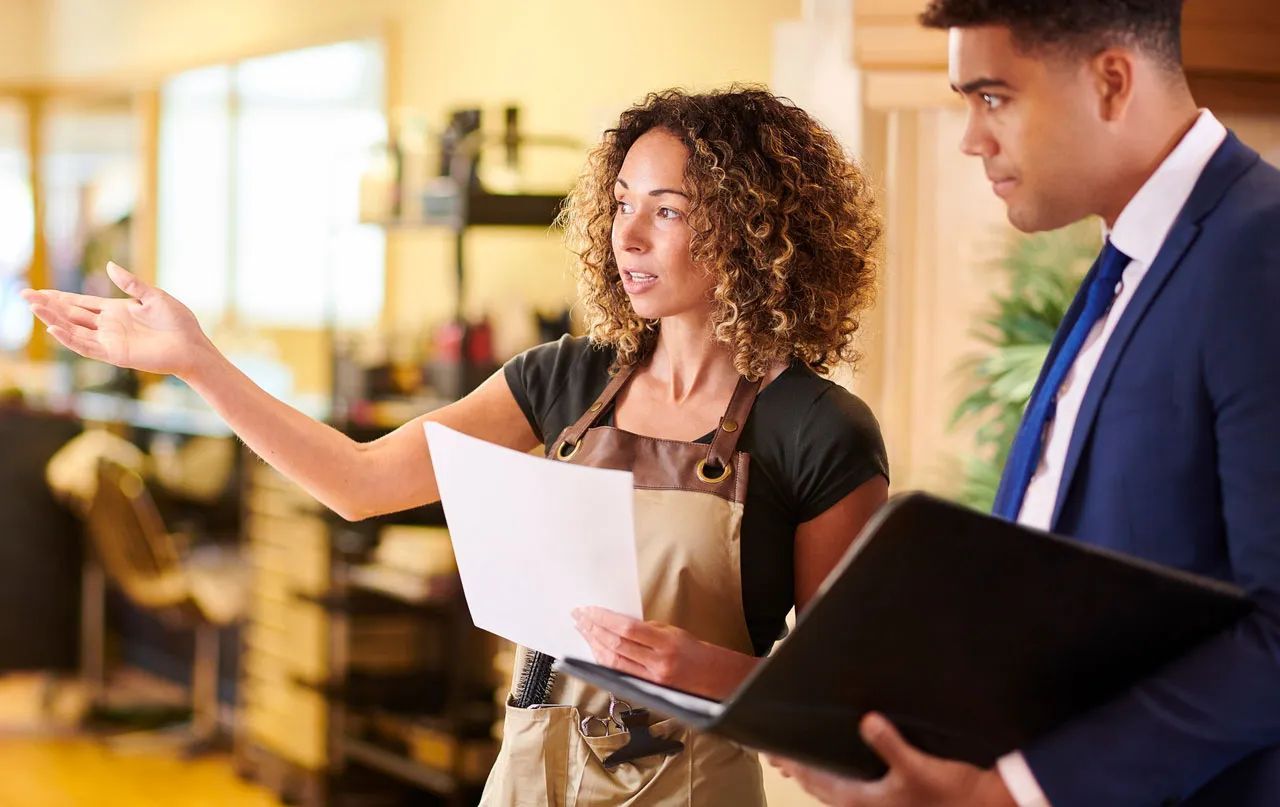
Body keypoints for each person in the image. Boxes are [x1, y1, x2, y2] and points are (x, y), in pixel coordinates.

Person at [25, 86, 890, 805]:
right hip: (525, 780)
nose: (628, 235)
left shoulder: (818, 431)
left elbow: (840, 709)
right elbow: (356, 480)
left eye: (666, 211)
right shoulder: (563, 381)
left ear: (752, 228)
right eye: (623, 203)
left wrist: (706, 667)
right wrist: (196, 362)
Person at [772, 1, 1280, 805]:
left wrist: (1005, 793)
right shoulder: (1127, 261)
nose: (972, 136)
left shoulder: (1261, 250)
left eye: (993, 96)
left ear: (1112, 80)